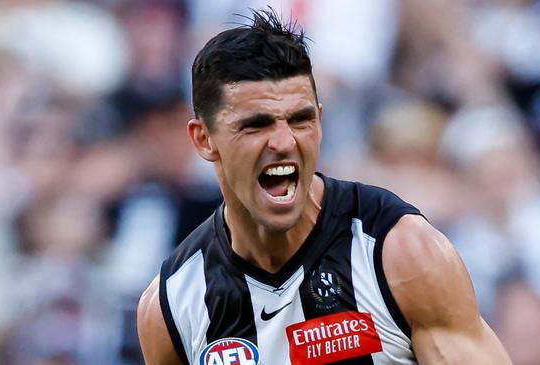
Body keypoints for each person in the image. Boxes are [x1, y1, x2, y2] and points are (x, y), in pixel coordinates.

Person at [137, 9, 512, 365]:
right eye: (257, 124)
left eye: (301, 119)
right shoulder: (173, 303)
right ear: (204, 140)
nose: (284, 142)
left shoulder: (400, 253)